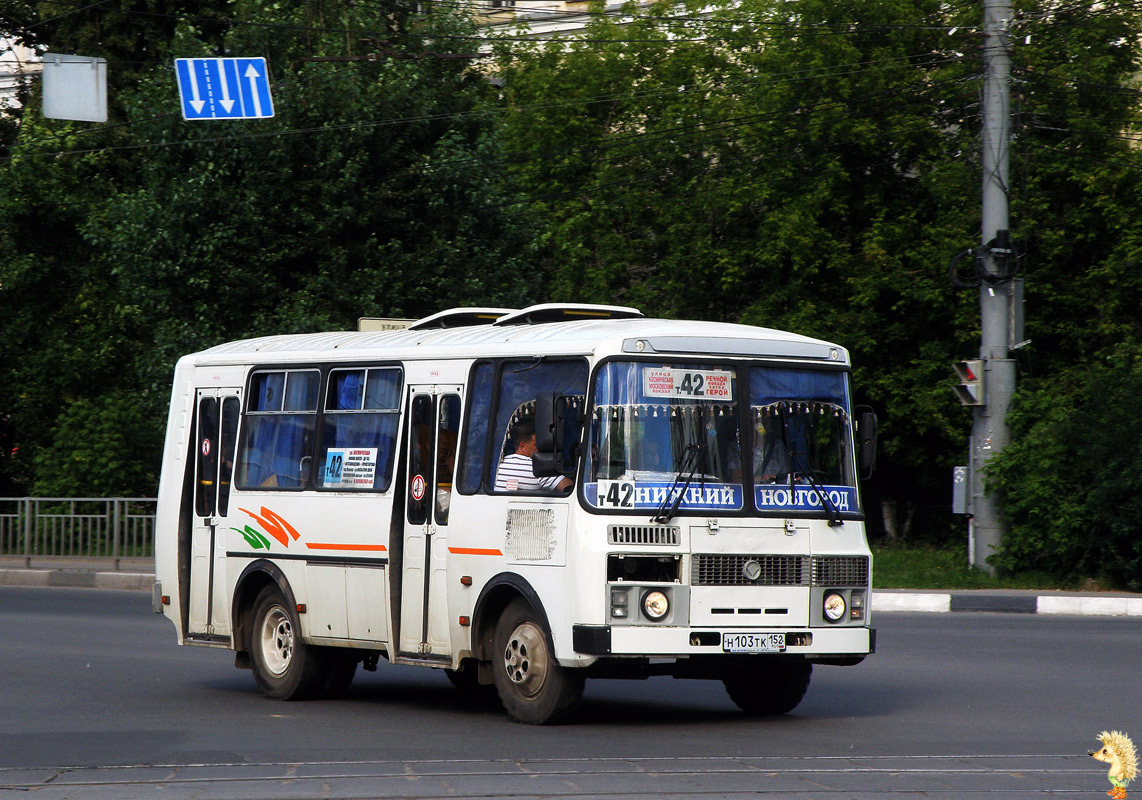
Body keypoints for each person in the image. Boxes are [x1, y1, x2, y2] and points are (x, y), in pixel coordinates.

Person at [494, 420, 572, 492]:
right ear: (523, 447)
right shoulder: (537, 468)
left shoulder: (498, 465)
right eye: (536, 445)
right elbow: (569, 488)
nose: (540, 449)